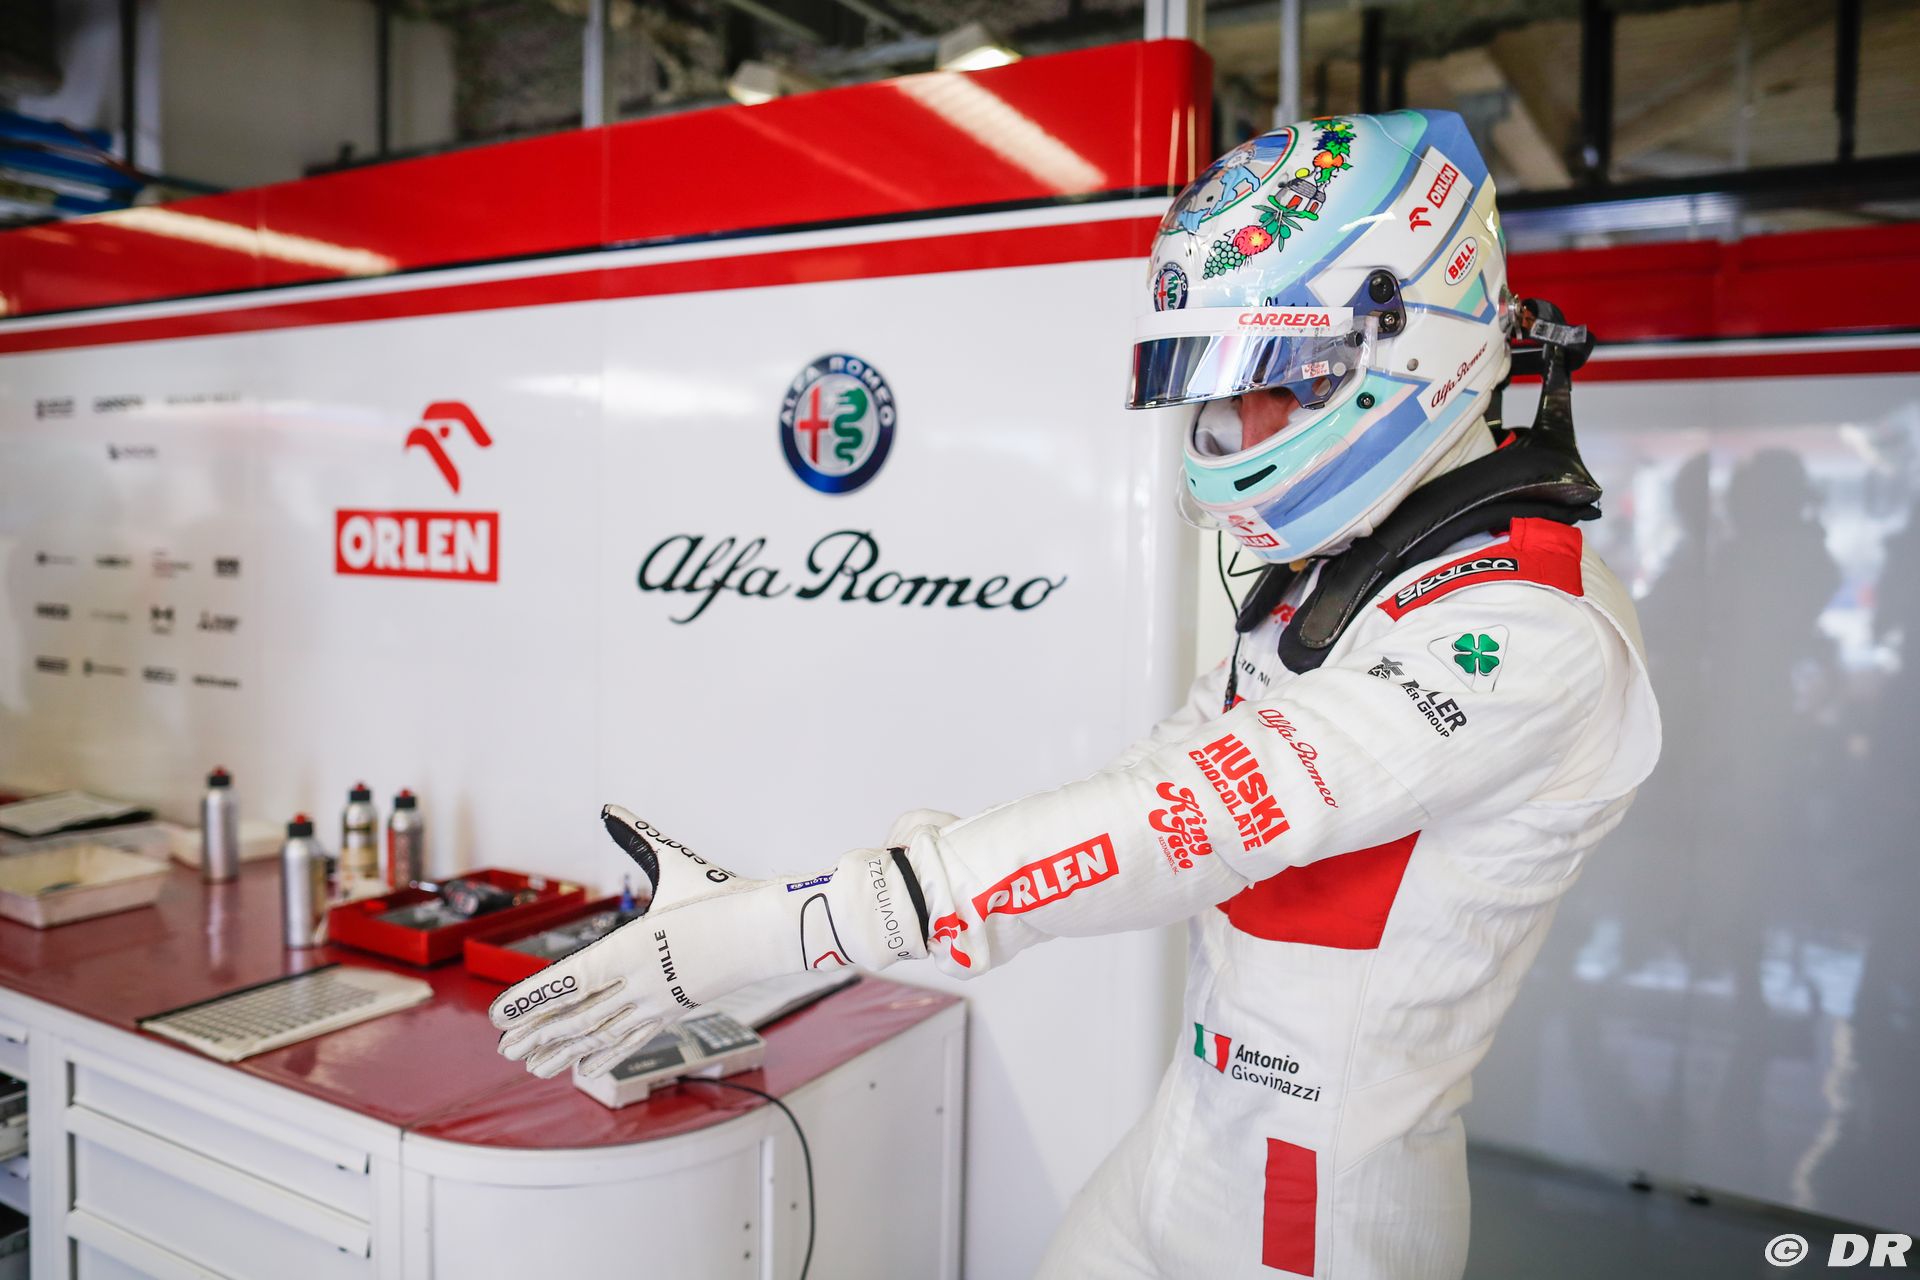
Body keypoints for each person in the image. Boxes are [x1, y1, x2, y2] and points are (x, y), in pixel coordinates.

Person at [488, 110, 1661, 1280]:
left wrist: (777, 927)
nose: (1238, 424)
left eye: (1279, 378)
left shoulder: (1530, 627)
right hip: (1192, 1133)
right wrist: (890, 883)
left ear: (1411, 337)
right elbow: (1155, 777)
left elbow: (1189, 817)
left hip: (1322, 1205)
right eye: (1219, 385)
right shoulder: (1347, 568)